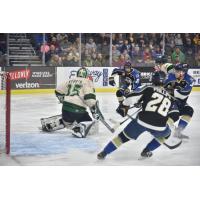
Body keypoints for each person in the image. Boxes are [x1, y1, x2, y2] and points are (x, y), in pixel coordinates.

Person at [97, 71, 176, 160]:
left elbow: (130, 98)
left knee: (122, 137)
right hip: (160, 126)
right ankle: (147, 150)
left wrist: (124, 106)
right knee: (166, 135)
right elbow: (166, 111)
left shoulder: (148, 88)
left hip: (142, 121)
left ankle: (104, 153)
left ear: (153, 79)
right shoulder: (170, 97)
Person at [40, 67, 99, 138]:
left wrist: (63, 100)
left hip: (65, 109)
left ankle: (51, 124)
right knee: (91, 125)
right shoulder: (87, 82)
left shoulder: (70, 80)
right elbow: (90, 100)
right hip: (78, 111)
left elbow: (58, 90)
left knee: (67, 121)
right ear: (87, 75)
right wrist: (94, 111)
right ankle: (78, 129)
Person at [164, 63, 195, 139]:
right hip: (168, 102)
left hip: (180, 102)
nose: (175, 72)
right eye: (175, 70)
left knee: (189, 111)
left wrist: (171, 89)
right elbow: (161, 88)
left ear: (183, 72)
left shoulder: (190, 80)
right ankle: (162, 131)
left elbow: (183, 95)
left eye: (178, 71)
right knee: (175, 114)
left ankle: (178, 132)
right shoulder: (169, 77)